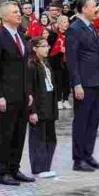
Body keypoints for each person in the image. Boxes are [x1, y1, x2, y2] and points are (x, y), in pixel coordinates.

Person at [0, 2, 35, 186]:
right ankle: (4, 171)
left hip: (22, 94)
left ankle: (15, 168)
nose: (19, 14)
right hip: (7, 94)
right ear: (5, 16)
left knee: (19, 133)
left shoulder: (21, 36)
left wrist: (29, 91)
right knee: (6, 133)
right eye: (15, 12)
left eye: (19, 11)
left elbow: (25, 67)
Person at [67, 0, 99, 171]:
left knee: (93, 120)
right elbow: (72, 59)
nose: (96, 9)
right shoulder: (75, 29)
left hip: (97, 80)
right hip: (84, 82)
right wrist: (76, 84)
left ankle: (88, 154)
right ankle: (78, 159)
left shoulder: (91, 26)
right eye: (93, 6)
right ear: (84, 9)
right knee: (82, 121)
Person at [27, 36, 59, 178]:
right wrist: (32, 111)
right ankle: (38, 168)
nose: (47, 48)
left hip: (49, 105)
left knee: (50, 137)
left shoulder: (46, 63)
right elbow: (30, 91)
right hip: (39, 107)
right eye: (43, 46)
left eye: (47, 46)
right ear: (35, 48)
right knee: (38, 139)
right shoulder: (31, 66)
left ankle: (47, 166)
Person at [49, 15, 71, 110]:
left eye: (67, 22)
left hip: (67, 62)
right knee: (58, 81)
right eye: (63, 22)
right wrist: (59, 49)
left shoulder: (70, 34)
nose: (66, 24)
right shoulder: (53, 35)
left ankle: (65, 99)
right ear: (59, 24)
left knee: (67, 81)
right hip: (56, 62)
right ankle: (58, 100)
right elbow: (49, 50)